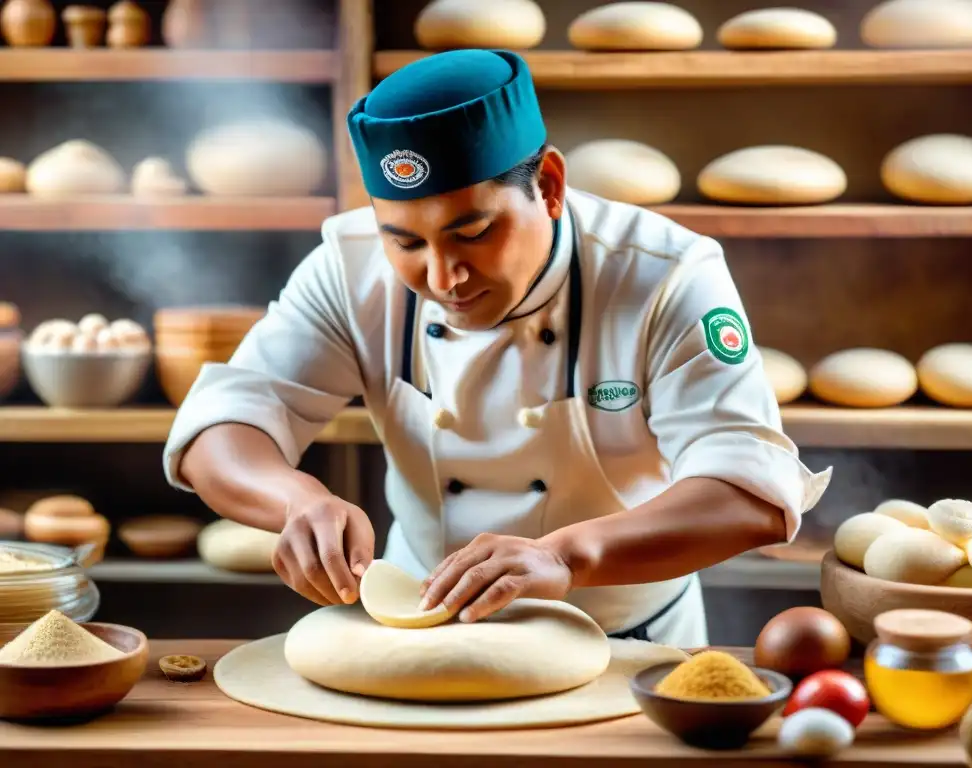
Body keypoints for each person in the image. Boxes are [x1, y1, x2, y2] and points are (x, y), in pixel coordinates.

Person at [163, 49, 831, 648]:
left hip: (628, 641)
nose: (442, 276)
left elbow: (752, 495)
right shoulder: (349, 266)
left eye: (474, 232)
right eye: (406, 242)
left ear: (548, 186)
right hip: (418, 634)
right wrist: (295, 501)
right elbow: (221, 427)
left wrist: (570, 556)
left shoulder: (664, 273)